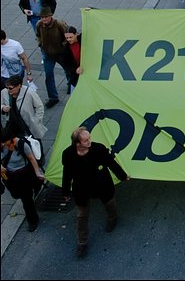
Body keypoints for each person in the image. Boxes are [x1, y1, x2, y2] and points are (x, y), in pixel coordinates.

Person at [61, 126, 130, 258]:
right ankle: (82, 242)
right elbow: (67, 174)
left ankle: (112, 218)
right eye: (86, 140)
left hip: (101, 184)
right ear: (77, 143)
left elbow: (111, 163)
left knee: (109, 203)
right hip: (81, 188)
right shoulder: (68, 154)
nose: (90, 142)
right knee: (81, 215)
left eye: (89, 138)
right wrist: (65, 191)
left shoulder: (98, 149)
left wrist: (122, 176)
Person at [1, 129, 45, 232]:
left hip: (24, 173)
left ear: (10, 139)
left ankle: (32, 220)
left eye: (5, 142)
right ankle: (35, 187)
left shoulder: (21, 144)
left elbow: (31, 158)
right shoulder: (1, 146)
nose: (3, 144)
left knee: (26, 199)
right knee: (16, 194)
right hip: (9, 175)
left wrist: (37, 172)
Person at [35, 7, 74, 108]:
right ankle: (53, 97)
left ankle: (71, 84)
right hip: (47, 54)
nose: (44, 19)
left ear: (50, 16)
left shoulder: (58, 24)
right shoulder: (39, 24)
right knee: (48, 75)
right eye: (42, 17)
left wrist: (63, 46)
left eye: (46, 17)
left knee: (68, 70)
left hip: (60, 53)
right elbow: (38, 35)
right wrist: (40, 44)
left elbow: (67, 36)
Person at [1, 74, 47, 141]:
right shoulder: (4, 92)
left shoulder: (29, 92)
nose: (8, 90)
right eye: (7, 87)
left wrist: (36, 120)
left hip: (26, 124)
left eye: (10, 88)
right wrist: (3, 108)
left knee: (34, 142)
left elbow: (39, 107)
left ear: (19, 86)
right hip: (12, 123)